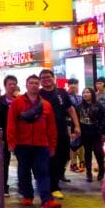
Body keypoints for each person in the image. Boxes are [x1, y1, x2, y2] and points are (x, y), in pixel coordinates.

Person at [7, 75, 60, 208]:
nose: (34, 85)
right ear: (26, 85)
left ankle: (46, 200)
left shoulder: (46, 105)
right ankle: (27, 195)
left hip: (42, 144)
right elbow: (11, 124)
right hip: (22, 144)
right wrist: (11, 141)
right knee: (24, 171)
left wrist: (52, 145)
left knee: (43, 172)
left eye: (36, 83)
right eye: (31, 83)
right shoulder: (17, 103)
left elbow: (52, 127)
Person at [38, 69, 80, 200]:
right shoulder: (38, 94)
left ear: (53, 78)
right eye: (43, 78)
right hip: (44, 132)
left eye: (48, 77)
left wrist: (77, 125)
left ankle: (53, 182)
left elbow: (71, 109)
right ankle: (53, 187)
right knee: (50, 159)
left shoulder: (62, 93)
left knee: (64, 156)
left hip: (61, 131)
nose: (46, 80)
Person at [0, 75, 19, 195]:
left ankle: (23, 185)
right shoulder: (0, 101)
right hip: (4, 136)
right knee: (4, 162)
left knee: (23, 162)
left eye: (14, 84)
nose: (12, 86)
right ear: (5, 85)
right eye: (10, 84)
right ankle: (3, 186)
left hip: (18, 136)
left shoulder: (19, 100)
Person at [77, 87, 105, 182]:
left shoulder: (99, 105)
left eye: (87, 92)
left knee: (98, 152)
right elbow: (76, 119)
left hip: (96, 132)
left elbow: (103, 119)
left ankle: (102, 169)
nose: (85, 94)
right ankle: (88, 173)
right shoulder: (80, 106)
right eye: (84, 92)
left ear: (92, 94)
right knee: (87, 153)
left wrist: (102, 132)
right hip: (85, 133)